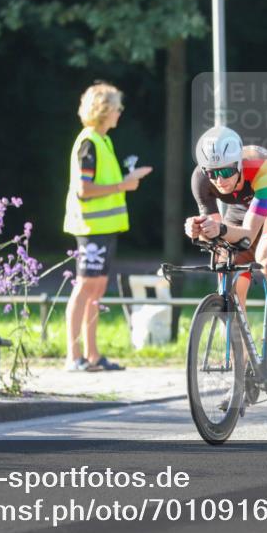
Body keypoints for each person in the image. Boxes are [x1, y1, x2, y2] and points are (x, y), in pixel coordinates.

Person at [184, 126, 267, 355]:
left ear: (239, 164)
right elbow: (215, 233)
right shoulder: (201, 179)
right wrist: (197, 229)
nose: (219, 180)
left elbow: (248, 235)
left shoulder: (263, 166)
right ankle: (242, 363)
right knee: (225, 272)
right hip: (242, 209)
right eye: (213, 173)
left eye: (226, 172)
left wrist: (220, 229)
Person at [63, 83, 152, 372]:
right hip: (90, 229)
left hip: (104, 228)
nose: (120, 112)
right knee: (85, 287)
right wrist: (124, 184)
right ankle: (73, 355)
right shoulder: (89, 142)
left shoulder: (103, 141)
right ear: (103, 110)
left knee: (96, 289)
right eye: (116, 106)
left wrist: (126, 180)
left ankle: (92, 355)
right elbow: (84, 190)